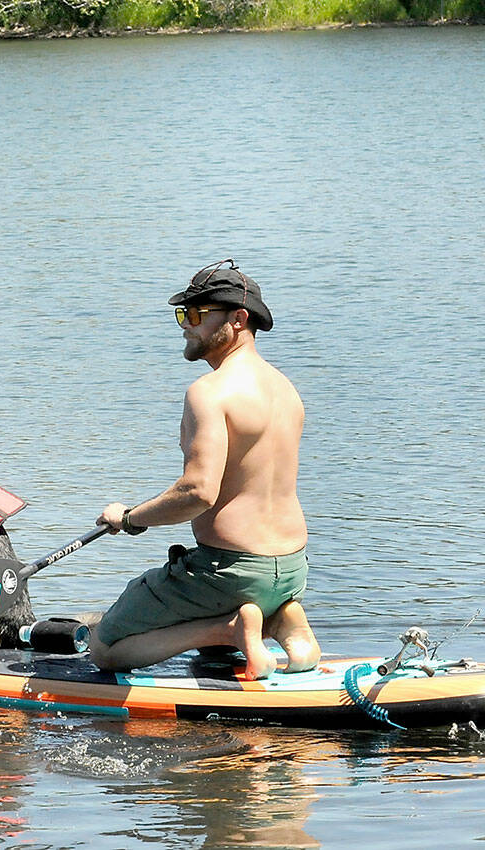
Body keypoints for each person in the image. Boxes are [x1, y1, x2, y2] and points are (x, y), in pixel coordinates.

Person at [90, 259, 321, 679]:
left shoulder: (209, 393)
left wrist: (128, 519)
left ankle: (230, 628)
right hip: (291, 567)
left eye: (196, 314)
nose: (185, 325)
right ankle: (288, 628)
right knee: (258, 591)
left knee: (105, 648)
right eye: (183, 314)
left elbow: (198, 492)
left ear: (238, 319)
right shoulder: (286, 389)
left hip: (227, 573)